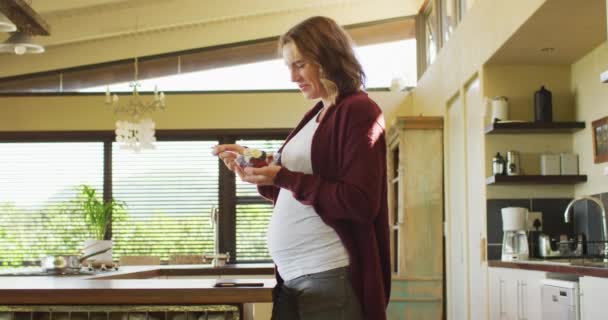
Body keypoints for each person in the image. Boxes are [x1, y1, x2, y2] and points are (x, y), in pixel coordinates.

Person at [212, 16, 390, 320]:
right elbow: (295, 188)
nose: (293, 78)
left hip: (327, 275)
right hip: (293, 278)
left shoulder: (359, 110)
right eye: (289, 67)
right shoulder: (317, 114)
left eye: (300, 64)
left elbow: (359, 202)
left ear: (329, 58)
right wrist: (256, 169)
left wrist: (282, 175)